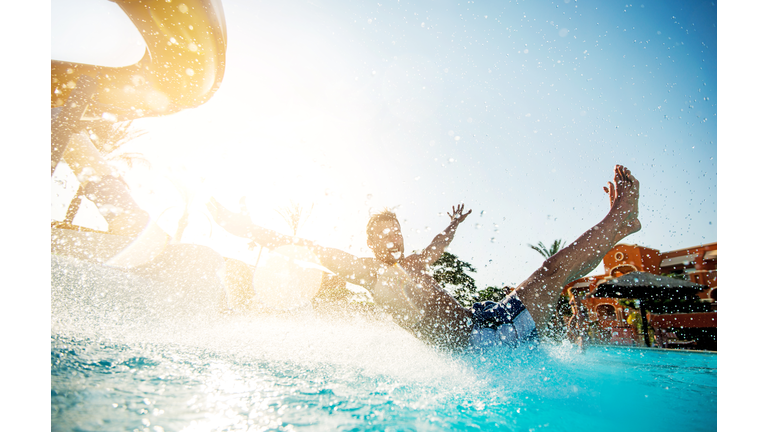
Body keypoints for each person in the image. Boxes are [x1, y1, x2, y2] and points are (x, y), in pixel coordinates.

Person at [207, 165, 641, 352]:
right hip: (484, 341)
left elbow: (436, 247)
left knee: (551, 274)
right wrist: (243, 228)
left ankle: (619, 223)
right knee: (551, 272)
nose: (391, 240)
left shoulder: (412, 264)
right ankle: (619, 221)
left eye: (395, 232)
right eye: (381, 236)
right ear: (371, 244)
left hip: (485, 320)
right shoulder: (367, 272)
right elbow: (306, 248)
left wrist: (452, 226)